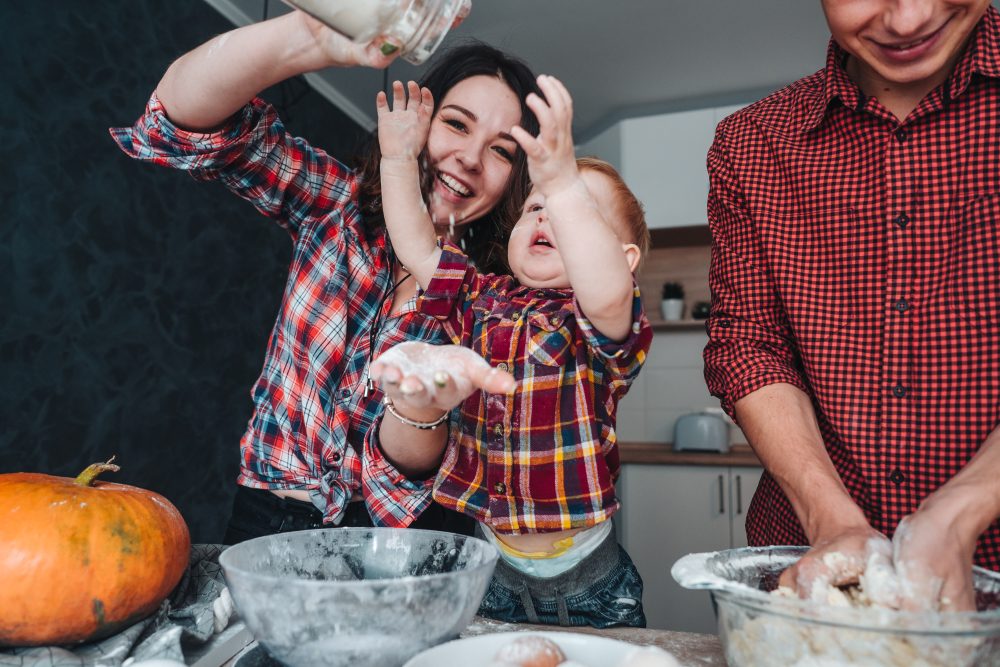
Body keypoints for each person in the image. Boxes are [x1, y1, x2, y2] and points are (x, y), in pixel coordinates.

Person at [109, 10, 541, 544]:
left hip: (413, 541)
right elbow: (179, 121)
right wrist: (312, 38)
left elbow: (418, 467)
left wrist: (418, 407)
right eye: (456, 123)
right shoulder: (339, 204)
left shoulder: (500, 303)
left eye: (502, 151)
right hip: (269, 523)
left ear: (515, 180)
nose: (471, 158)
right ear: (417, 118)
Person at [703, 0, 1000, 612]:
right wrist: (832, 521)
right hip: (809, 572)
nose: (909, 18)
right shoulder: (749, 142)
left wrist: (960, 510)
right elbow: (748, 345)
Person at [368, 74, 653, 628]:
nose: (546, 214)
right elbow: (419, 248)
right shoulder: (482, 297)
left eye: (574, 210)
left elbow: (608, 290)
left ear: (624, 259)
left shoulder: (598, 321)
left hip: (591, 579)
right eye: (535, 205)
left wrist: (563, 180)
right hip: (491, 565)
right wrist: (398, 161)